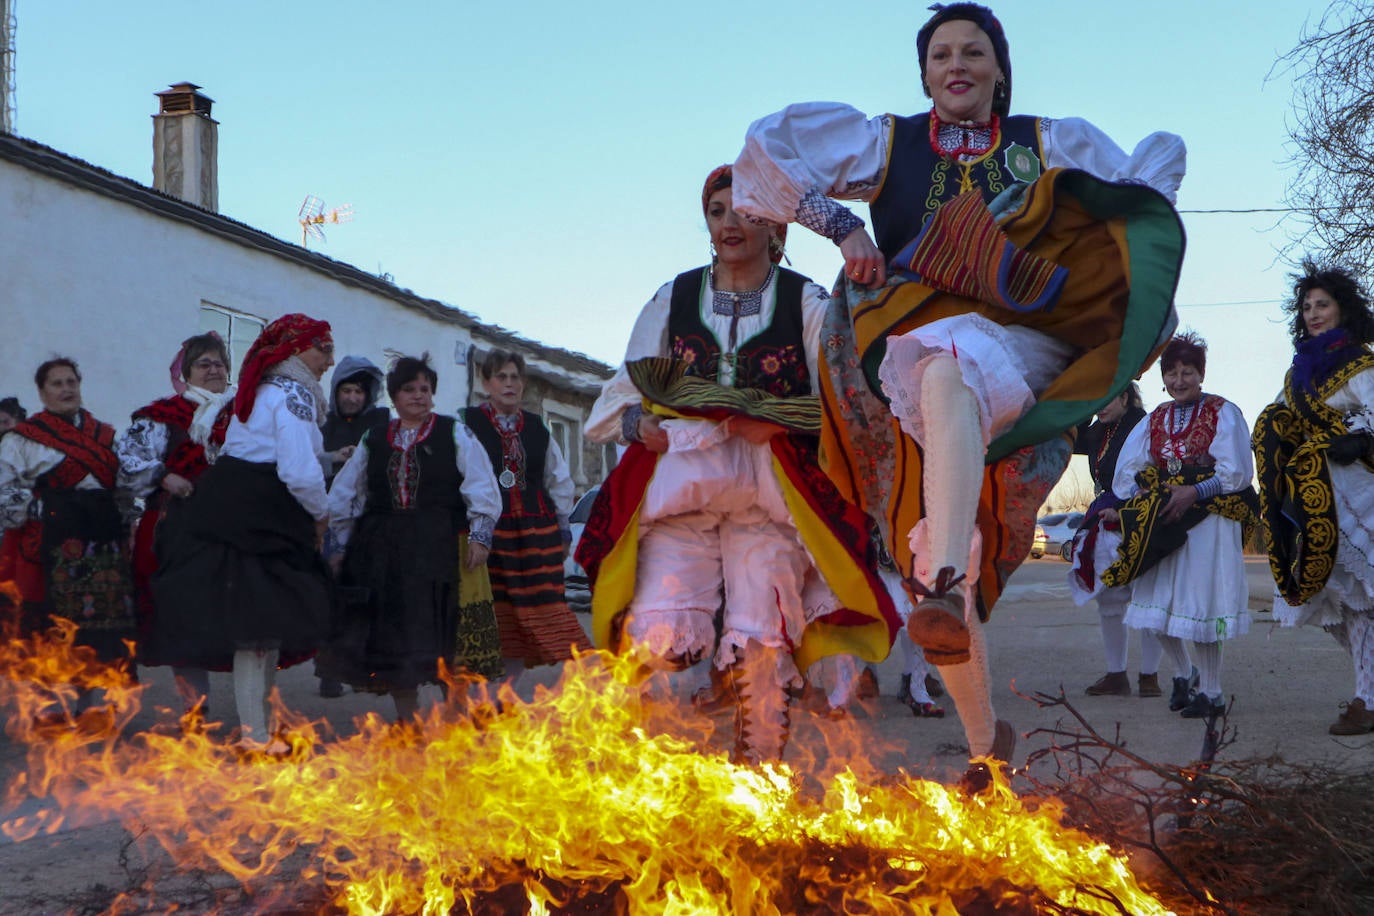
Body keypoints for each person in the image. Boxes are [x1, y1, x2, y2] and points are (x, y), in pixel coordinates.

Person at [731, 2, 1185, 780]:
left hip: (1028, 349)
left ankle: (940, 580)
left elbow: (1148, 187)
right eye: (940, 55)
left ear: (1000, 69)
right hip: (912, 356)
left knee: (953, 366)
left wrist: (1121, 307)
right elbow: (767, 148)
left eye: (973, 51)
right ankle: (985, 744)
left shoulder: (1049, 142)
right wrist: (843, 228)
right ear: (924, 73)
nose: (956, 65)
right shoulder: (889, 143)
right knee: (943, 510)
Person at [580, 164, 897, 764]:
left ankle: (759, 778)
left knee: (762, 645)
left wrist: (777, 420)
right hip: (683, 484)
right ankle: (640, 779)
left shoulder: (807, 301)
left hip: (769, 491)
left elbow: (847, 401)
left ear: (777, 225)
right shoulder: (672, 297)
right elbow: (619, 396)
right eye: (719, 211)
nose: (731, 223)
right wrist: (639, 426)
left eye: (749, 211)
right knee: (657, 637)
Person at [152, 314, 336, 753]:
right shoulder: (291, 392)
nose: (329, 359)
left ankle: (263, 732)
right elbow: (298, 469)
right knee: (257, 629)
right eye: (322, 348)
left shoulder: (266, 390)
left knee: (261, 628)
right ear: (295, 351)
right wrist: (321, 514)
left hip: (240, 506)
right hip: (260, 514)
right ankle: (256, 737)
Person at [322, 355, 504, 721]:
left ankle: (454, 716)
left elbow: (481, 485)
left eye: (425, 389)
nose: (419, 396)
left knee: (446, 636)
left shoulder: (454, 432)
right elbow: (345, 493)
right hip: (383, 551)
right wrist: (339, 544)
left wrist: (480, 536)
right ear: (394, 396)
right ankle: (407, 720)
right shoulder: (374, 439)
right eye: (409, 389)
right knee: (392, 637)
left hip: (440, 546)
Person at [1101, 333, 1257, 719]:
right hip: (1168, 517)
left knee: (1202, 605)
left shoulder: (1222, 411)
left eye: (1188, 371)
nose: (1179, 380)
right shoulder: (1156, 418)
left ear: (1201, 374)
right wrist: (1134, 501)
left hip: (1211, 517)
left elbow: (1236, 471)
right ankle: (1185, 673)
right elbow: (1130, 469)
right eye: (1171, 373)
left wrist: (1195, 491)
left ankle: (1213, 692)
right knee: (1155, 603)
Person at [1253, 261, 1374, 735]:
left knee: (1361, 601)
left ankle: (1366, 699)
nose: (1313, 313)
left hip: (1357, 494)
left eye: (1322, 304)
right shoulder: (1297, 373)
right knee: (1323, 600)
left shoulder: (1362, 363)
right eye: (1306, 307)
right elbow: (1281, 419)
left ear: (1342, 308)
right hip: (1312, 497)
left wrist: (1362, 440)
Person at [0, 358, 136, 714]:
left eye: (71, 381)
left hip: (101, 541)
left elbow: (122, 486)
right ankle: (53, 708)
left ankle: (92, 708)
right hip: (52, 541)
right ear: (43, 392)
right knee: (52, 627)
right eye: (57, 383)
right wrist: (39, 510)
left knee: (98, 627)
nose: (66, 389)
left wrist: (127, 521)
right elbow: (4, 487)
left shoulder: (105, 434)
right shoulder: (22, 439)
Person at [116, 333, 236, 716]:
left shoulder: (245, 415)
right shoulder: (161, 416)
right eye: (204, 363)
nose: (214, 369)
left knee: (231, 616)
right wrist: (164, 476)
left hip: (230, 531)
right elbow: (127, 463)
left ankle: (258, 719)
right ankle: (195, 709)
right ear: (186, 374)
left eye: (219, 363)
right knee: (183, 619)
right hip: (174, 531)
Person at [461, 350, 591, 689]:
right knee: (495, 613)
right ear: (486, 383)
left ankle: (502, 694)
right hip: (490, 532)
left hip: (536, 533)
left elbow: (558, 479)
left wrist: (563, 528)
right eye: (501, 377)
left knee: (533, 613)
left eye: (515, 377)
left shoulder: (536, 427)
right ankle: (482, 694)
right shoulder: (466, 424)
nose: (509, 383)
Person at [1067, 383, 1164, 698]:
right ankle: (1116, 674)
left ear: (1126, 397)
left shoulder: (1144, 426)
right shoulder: (1099, 430)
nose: (1101, 407)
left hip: (1139, 515)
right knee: (1109, 596)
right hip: (1104, 515)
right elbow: (1071, 437)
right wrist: (1084, 406)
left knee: (1147, 596)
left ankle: (1149, 676)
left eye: (1108, 399)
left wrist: (1124, 510)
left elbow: (1151, 477)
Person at [317, 354, 388, 698]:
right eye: (346, 390)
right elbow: (307, 466)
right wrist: (334, 459)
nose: (353, 398)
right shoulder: (324, 426)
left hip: (371, 524)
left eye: (359, 392)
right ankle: (330, 670)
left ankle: (366, 666)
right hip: (331, 522)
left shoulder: (379, 424)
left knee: (370, 599)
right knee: (334, 597)